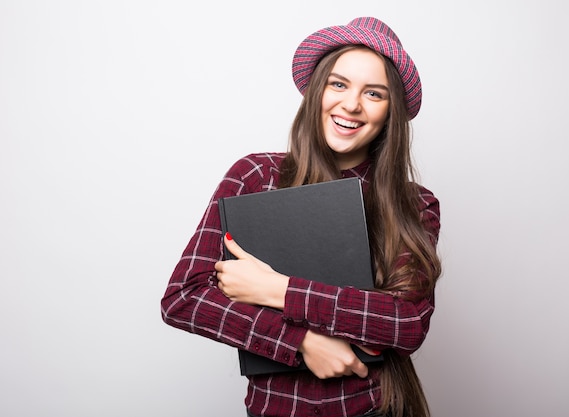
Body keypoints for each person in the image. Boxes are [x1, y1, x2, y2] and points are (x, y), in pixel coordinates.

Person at [161, 16, 442, 417]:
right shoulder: (256, 176)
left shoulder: (414, 204)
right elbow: (183, 298)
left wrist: (277, 289)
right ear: (316, 90)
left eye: (374, 93)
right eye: (339, 84)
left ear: (390, 112)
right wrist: (301, 341)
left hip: (377, 407)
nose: (351, 104)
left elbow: (406, 324)